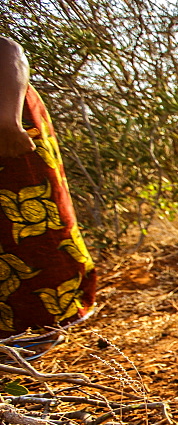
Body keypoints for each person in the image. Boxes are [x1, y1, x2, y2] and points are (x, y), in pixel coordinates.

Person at [0, 37, 96, 352]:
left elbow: (8, 49)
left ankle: (34, 336)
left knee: (28, 229)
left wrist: (7, 123)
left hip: (8, 127)